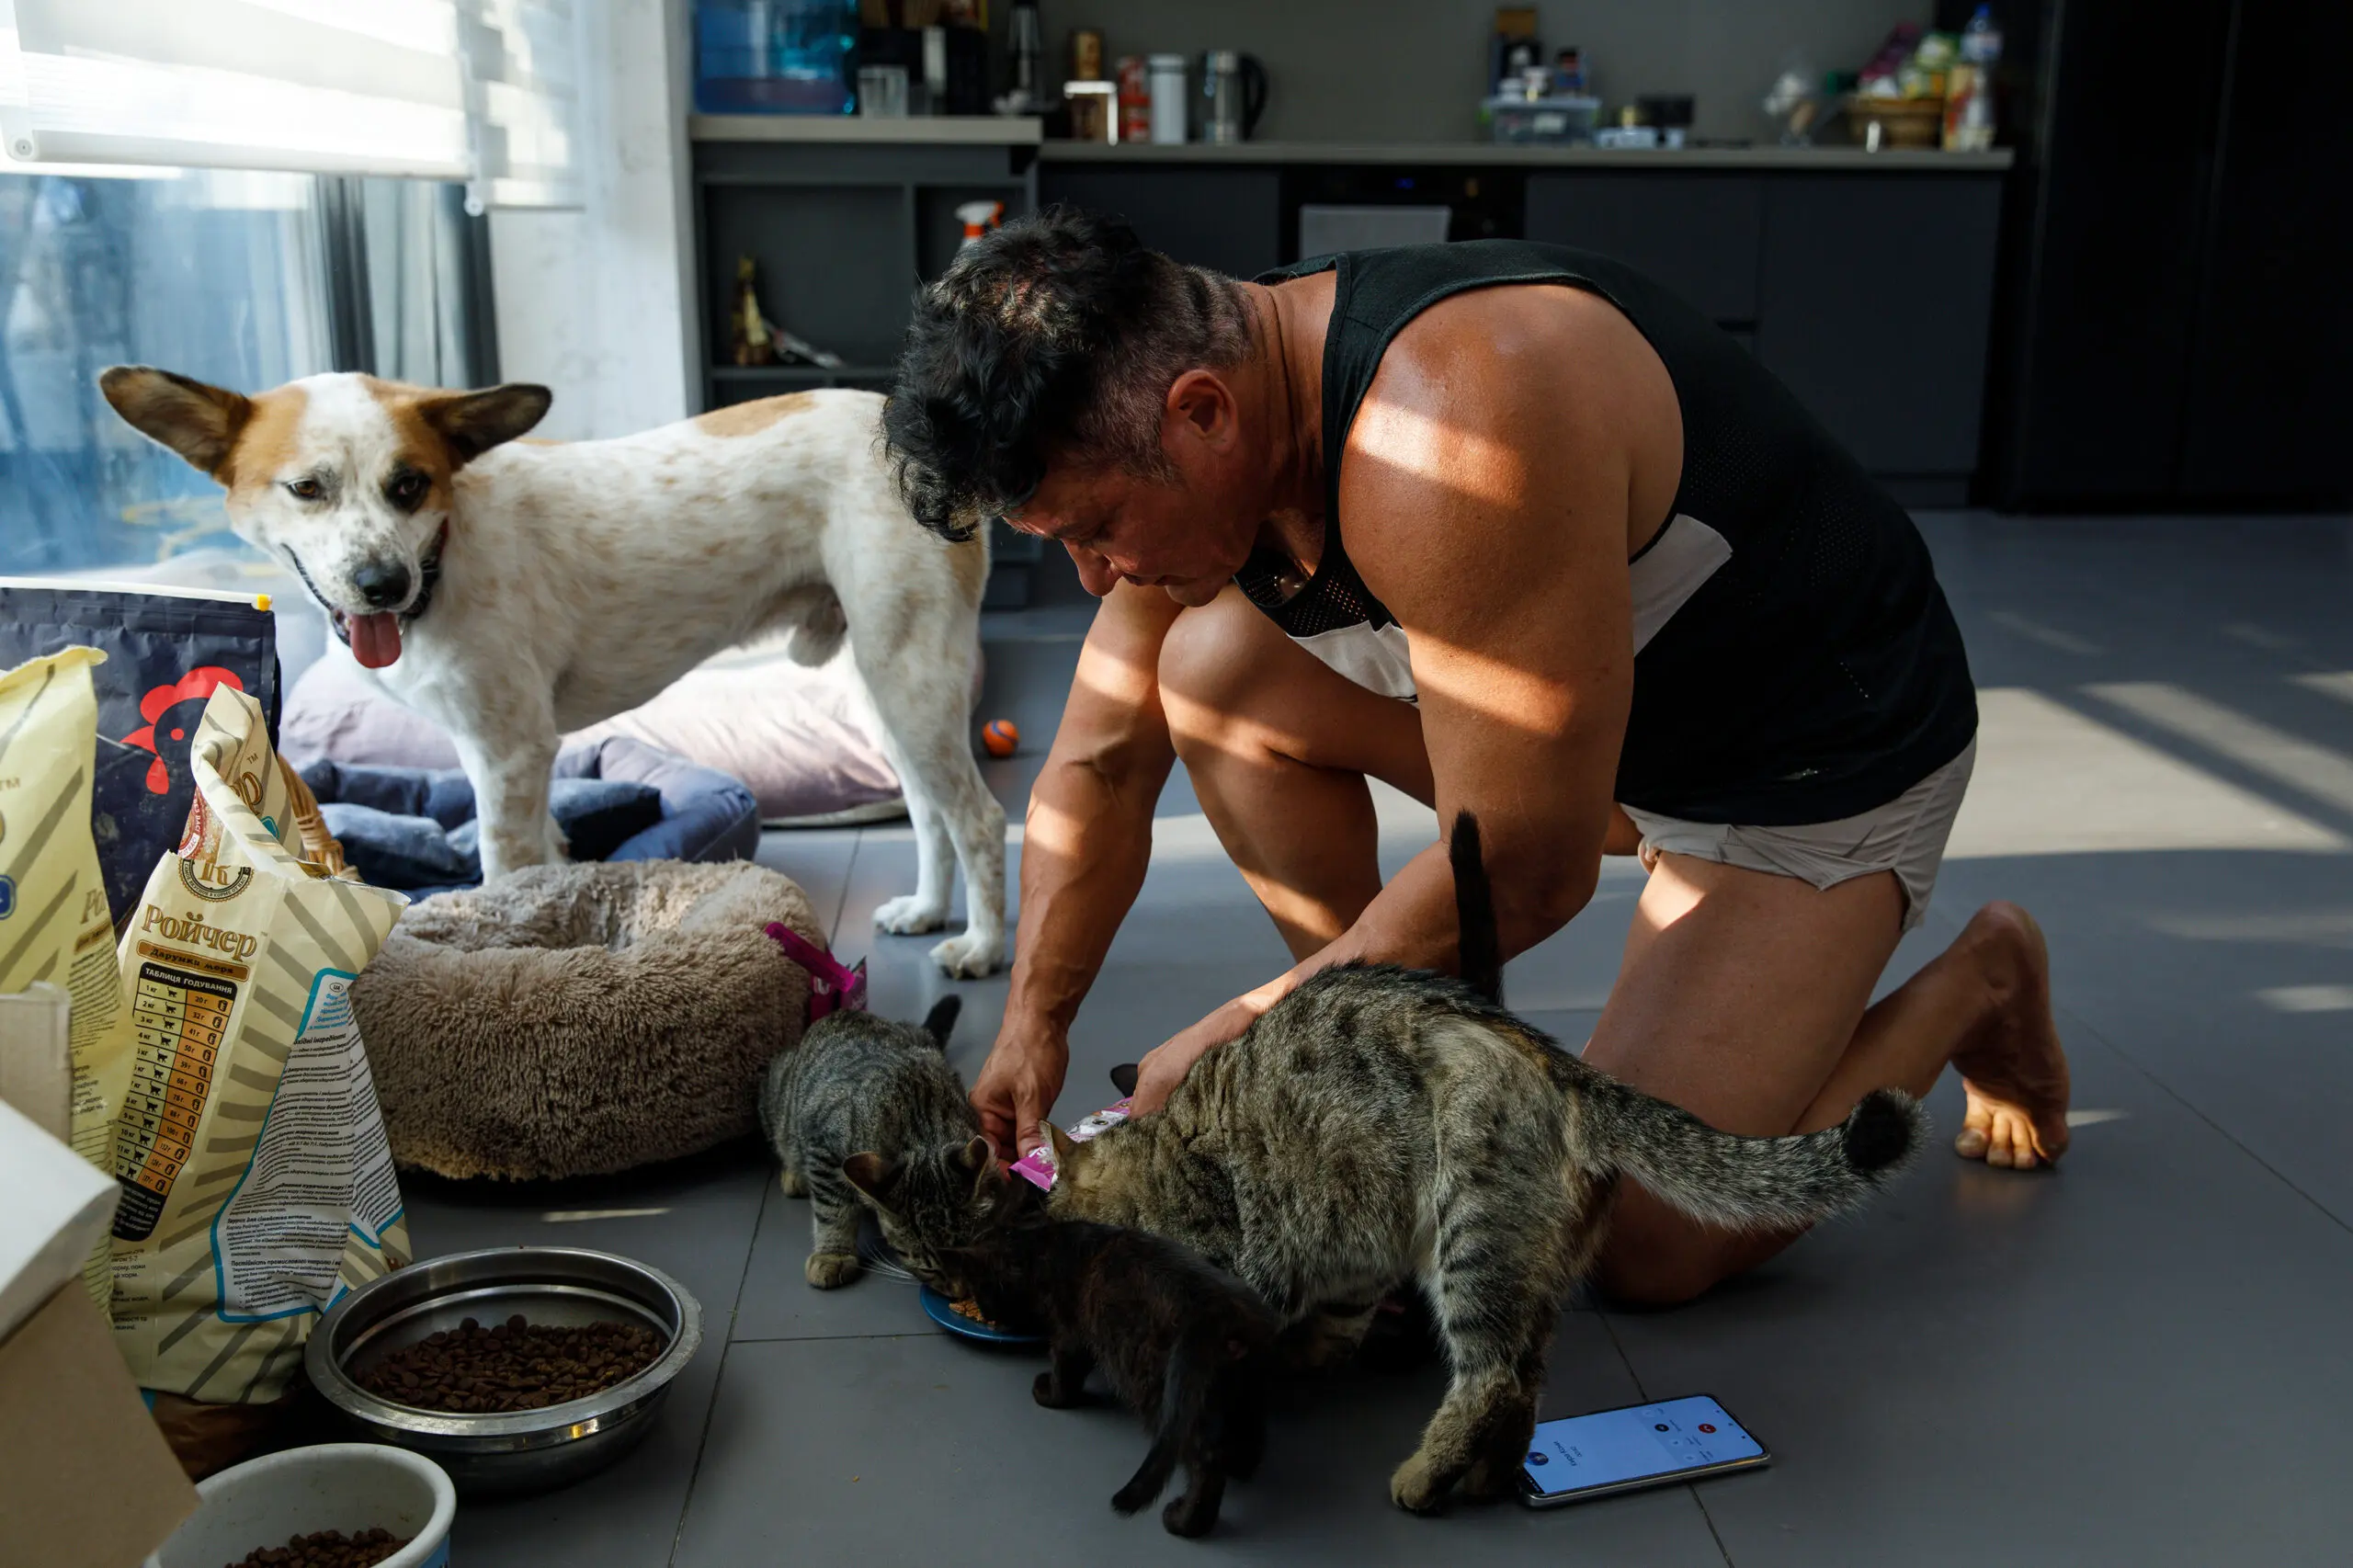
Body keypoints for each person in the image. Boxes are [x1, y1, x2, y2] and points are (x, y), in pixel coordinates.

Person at [881, 210, 2072, 1305]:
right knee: (1208, 669)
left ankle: (1983, 983)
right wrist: (1032, 1023)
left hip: (1804, 759)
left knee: (1649, 1234)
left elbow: (1523, 869)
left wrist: (1250, 1031)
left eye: (1093, 530)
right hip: (1590, 735)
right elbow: (1094, 763)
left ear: (1202, 413)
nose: (1091, 574)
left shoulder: (1447, 431)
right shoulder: (1207, 426)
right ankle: (1397, 1069)